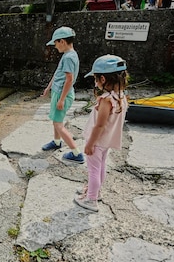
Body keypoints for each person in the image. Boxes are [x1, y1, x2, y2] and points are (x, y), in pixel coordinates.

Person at [74, 55, 128, 212]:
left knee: (93, 170)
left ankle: (91, 200)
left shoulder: (106, 100)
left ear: (103, 79)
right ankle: (94, 192)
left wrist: (90, 143)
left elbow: (100, 125)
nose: (95, 82)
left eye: (95, 78)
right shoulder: (121, 97)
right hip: (106, 142)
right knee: (100, 167)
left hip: (97, 141)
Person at [41, 26, 84, 164]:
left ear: (62, 42)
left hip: (62, 93)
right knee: (56, 120)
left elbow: (69, 79)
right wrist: (48, 87)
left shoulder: (69, 57)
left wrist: (61, 99)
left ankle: (77, 153)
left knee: (58, 124)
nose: (55, 46)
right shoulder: (68, 55)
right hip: (58, 91)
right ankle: (56, 141)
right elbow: (58, 73)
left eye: (55, 43)